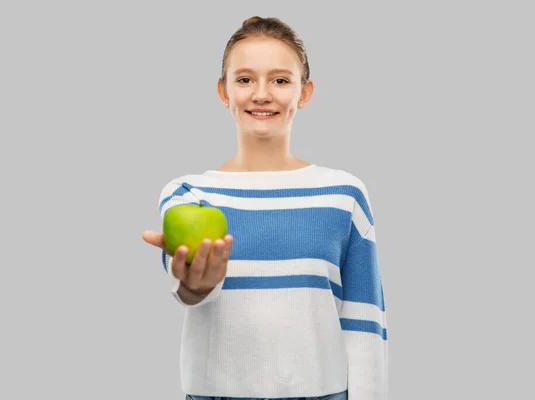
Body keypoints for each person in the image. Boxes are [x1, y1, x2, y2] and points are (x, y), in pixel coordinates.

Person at [142, 16, 388, 400]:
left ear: (304, 93)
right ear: (223, 92)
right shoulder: (188, 194)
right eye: (244, 80)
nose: (261, 94)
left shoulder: (343, 194)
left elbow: (364, 321)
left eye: (280, 80)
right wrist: (193, 286)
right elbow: (188, 289)